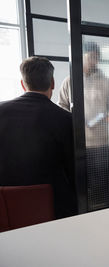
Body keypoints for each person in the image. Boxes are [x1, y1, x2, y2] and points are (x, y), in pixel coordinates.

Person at [0, 56, 77, 219]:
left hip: (6, 207)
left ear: (23, 84)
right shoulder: (65, 119)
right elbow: (73, 170)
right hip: (53, 208)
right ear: (53, 83)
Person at [58, 41, 109, 207]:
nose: (94, 61)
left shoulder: (107, 82)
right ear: (81, 57)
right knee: (82, 185)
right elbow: (62, 107)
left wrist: (104, 115)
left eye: (97, 58)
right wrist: (75, 119)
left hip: (101, 143)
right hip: (79, 143)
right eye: (91, 57)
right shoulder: (70, 81)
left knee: (106, 184)